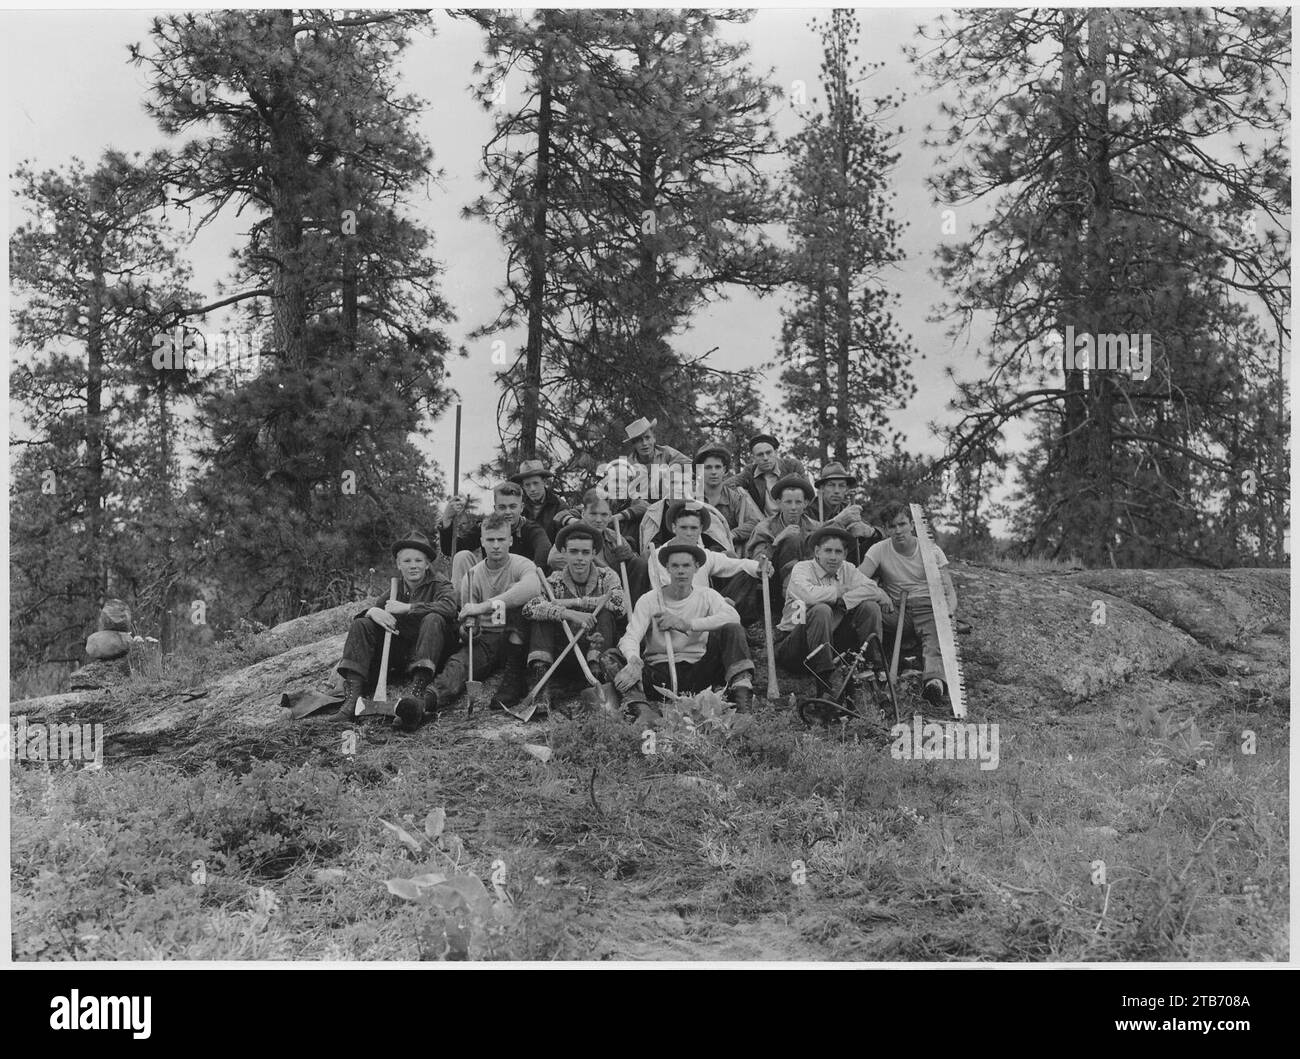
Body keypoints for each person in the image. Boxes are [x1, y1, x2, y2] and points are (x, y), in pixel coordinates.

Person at [403, 515, 542, 728]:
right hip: (487, 639)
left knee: (516, 611)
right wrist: (468, 630)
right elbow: (468, 621)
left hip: (518, 637)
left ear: (510, 540)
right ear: (482, 541)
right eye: (490, 540)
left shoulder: (521, 564)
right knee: (458, 664)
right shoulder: (472, 575)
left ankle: (514, 681)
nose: (496, 545)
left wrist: (484, 606)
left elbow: (532, 587)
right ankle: (422, 704)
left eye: (501, 539)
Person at [602, 539, 755, 713]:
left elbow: (732, 617)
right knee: (610, 657)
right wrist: (634, 660)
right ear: (667, 568)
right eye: (675, 566)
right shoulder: (650, 600)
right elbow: (631, 636)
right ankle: (642, 710)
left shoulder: (707, 595)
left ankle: (743, 706)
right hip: (660, 674)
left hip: (700, 670)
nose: (681, 571)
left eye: (686, 565)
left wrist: (687, 624)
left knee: (733, 630)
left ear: (696, 568)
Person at [331, 532, 458, 725]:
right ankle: (352, 700)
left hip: (433, 654)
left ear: (427, 564)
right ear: (399, 565)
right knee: (362, 623)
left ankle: (416, 693)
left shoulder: (440, 583)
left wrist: (409, 608)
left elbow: (450, 608)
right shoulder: (395, 587)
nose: (413, 565)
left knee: (433, 618)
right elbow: (375, 614)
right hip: (404, 655)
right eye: (407, 561)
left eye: (418, 560)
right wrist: (372, 611)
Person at [859, 502, 959, 710]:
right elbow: (858, 579)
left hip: (928, 607)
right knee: (868, 607)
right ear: (885, 529)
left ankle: (934, 683)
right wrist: (879, 593)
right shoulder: (878, 549)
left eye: (902, 524)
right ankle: (876, 667)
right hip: (896, 610)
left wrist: (947, 614)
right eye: (892, 526)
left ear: (912, 525)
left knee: (935, 637)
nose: (898, 531)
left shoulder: (931, 550)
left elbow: (949, 591)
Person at [521, 522, 626, 714]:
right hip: (563, 653)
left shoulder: (607, 577)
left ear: (594, 553)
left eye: (585, 552)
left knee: (605, 612)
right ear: (563, 552)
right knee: (542, 617)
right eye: (574, 551)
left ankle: (597, 682)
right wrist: (566, 613)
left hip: (594, 649)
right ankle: (541, 688)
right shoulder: (554, 580)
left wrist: (574, 603)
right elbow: (530, 608)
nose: (579, 558)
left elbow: (619, 605)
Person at [775, 525, 893, 692]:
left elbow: (872, 589)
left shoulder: (848, 569)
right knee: (821, 610)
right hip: (795, 644)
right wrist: (839, 591)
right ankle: (823, 683)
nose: (833, 557)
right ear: (817, 551)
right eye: (827, 550)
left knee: (870, 606)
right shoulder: (802, 568)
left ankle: (874, 666)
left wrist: (845, 600)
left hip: (830, 642)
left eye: (838, 552)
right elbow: (809, 596)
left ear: (845, 554)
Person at [645, 500, 767, 624]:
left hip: (707, 612)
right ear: (673, 528)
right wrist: (717, 603)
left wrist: (759, 567)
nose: (689, 533)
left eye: (693, 528)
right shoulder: (658, 557)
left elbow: (733, 564)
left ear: (701, 529)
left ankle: (742, 625)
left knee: (746, 572)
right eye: (683, 527)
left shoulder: (703, 553)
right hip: (677, 619)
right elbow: (672, 598)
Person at [440, 481, 551, 592]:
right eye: (502, 507)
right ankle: (462, 606)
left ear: (521, 507)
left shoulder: (532, 529)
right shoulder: (485, 527)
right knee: (462, 556)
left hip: (517, 585)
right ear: (495, 508)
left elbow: (544, 549)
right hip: (489, 585)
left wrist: (528, 577)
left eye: (512, 507)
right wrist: (447, 520)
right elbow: (450, 549)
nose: (508, 512)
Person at [549, 487, 648, 604]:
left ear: (610, 515)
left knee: (639, 564)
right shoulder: (571, 535)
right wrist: (599, 566)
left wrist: (630, 556)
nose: (599, 520)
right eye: (593, 514)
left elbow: (636, 568)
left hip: (613, 594)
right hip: (582, 596)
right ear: (583, 513)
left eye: (604, 515)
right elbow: (553, 559)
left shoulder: (613, 536)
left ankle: (631, 613)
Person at [746, 475, 821, 590]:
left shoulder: (816, 528)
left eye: (798, 502)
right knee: (792, 538)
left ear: (805, 503)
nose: (793, 507)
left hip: (810, 583)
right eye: (788, 502)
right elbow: (758, 563)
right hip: (775, 585)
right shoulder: (764, 528)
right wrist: (777, 541)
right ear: (778, 503)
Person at [620, 417, 692, 530]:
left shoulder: (666, 453)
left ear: (654, 438)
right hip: (643, 511)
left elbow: (688, 464)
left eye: (647, 438)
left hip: (669, 504)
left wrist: (670, 473)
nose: (644, 443)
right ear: (634, 444)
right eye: (639, 440)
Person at [694, 442, 763, 549]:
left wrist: (731, 534)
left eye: (717, 467)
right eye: (708, 467)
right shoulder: (690, 497)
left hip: (727, 551)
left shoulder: (735, 498)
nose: (713, 472)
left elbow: (753, 522)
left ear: (725, 471)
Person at [812, 462, 884, 565]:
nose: (836, 491)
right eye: (831, 485)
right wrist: (838, 522)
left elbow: (883, 540)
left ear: (846, 489)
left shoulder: (848, 509)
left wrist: (871, 532)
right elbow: (807, 544)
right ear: (822, 488)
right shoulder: (809, 511)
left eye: (841, 486)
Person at [726, 434, 809, 518]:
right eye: (760, 454)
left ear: (776, 452)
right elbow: (727, 485)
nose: (765, 458)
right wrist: (755, 511)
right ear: (753, 457)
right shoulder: (750, 472)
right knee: (740, 490)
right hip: (765, 523)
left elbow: (808, 494)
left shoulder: (792, 466)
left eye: (769, 453)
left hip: (793, 518)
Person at [511, 459, 566, 542]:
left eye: (535, 483)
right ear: (523, 486)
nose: (532, 489)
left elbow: (563, 539)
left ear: (544, 482)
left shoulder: (558, 506)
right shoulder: (517, 506)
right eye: (527, 485)